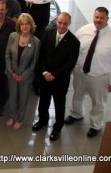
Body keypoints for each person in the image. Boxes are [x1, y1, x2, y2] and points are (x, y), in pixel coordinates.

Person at [65, 7, 111, 138]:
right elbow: (73, 48)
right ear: (93, 16)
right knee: (78, 94)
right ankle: (76, 114)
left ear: (107, 19)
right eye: (96, 17)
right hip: (80, 72)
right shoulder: (84, 30)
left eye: (102, 18)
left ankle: (95, 125)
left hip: (100, 77)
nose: (98, 20)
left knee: (98, 103)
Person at [32, 13, 80, 141]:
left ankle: (57, 127)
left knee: (59, 104)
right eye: (59, 22)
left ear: (69, 23)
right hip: (45, 76)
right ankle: (42, 120)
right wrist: (44, 72)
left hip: (60, 80)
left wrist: (53, 74)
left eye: (65, 23)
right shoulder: (48, 33)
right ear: (56, 21)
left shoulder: (74, 42)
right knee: (43, 101)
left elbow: (70, 64)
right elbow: (41, 55)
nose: (61, 26)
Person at [5, 13, 40, 130]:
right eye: (22, 24)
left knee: (23, 99)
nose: (24, 27)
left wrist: (23, 75)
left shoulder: (36, 42)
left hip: (26, 77)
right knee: (13, 97)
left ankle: (20, 119)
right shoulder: (13, 36)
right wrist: (11, 72)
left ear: (31, 26)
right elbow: (7, 55)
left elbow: (34, 63)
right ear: (19, 26)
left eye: (27, 24)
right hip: (12, 75)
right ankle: (12, 116)